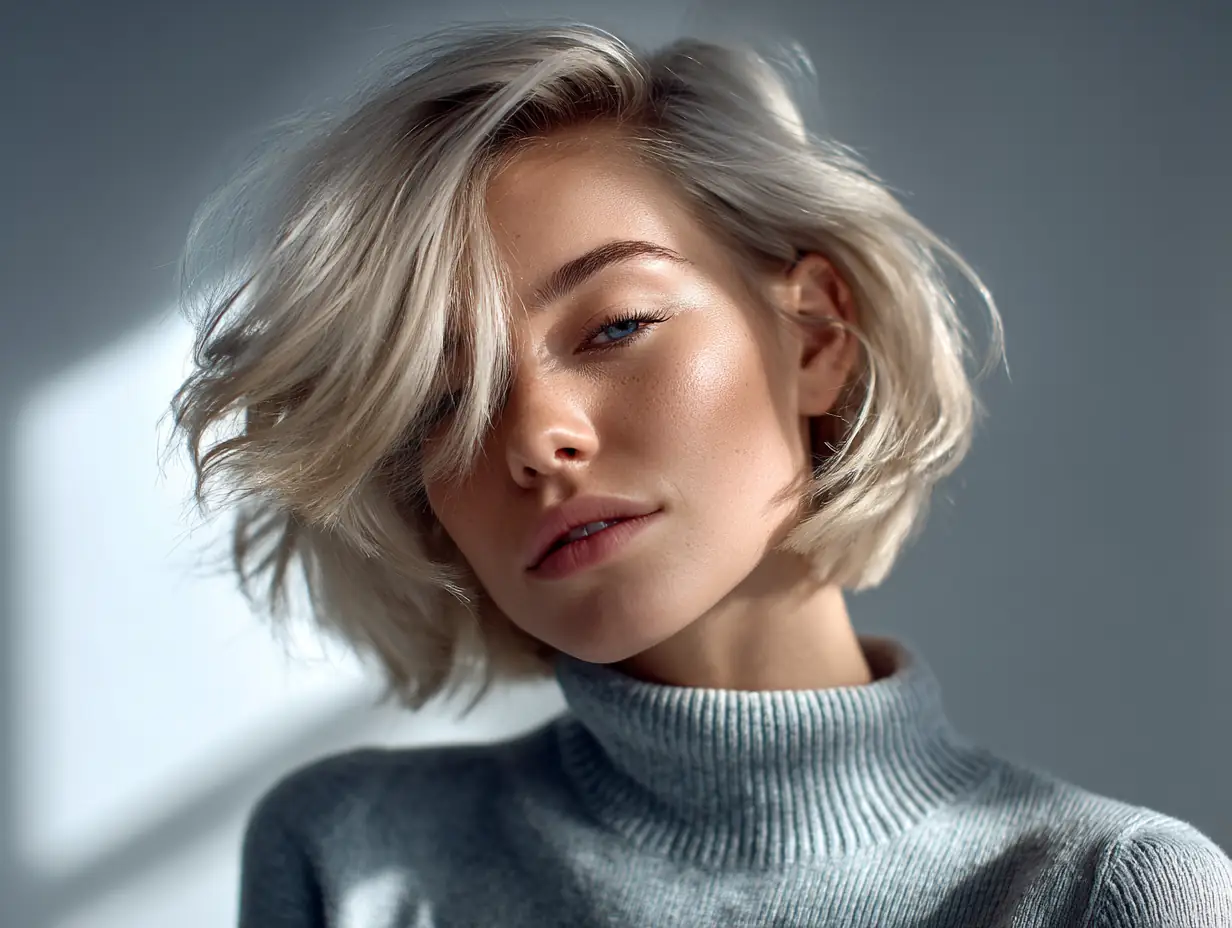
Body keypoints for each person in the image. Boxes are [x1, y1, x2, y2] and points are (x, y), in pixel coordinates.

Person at [168, 20, 1232, 927]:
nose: (534, 438)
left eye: (616, 325)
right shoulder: (352, 856)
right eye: (443, 401)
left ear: (815, 333)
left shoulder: (1107, 892)